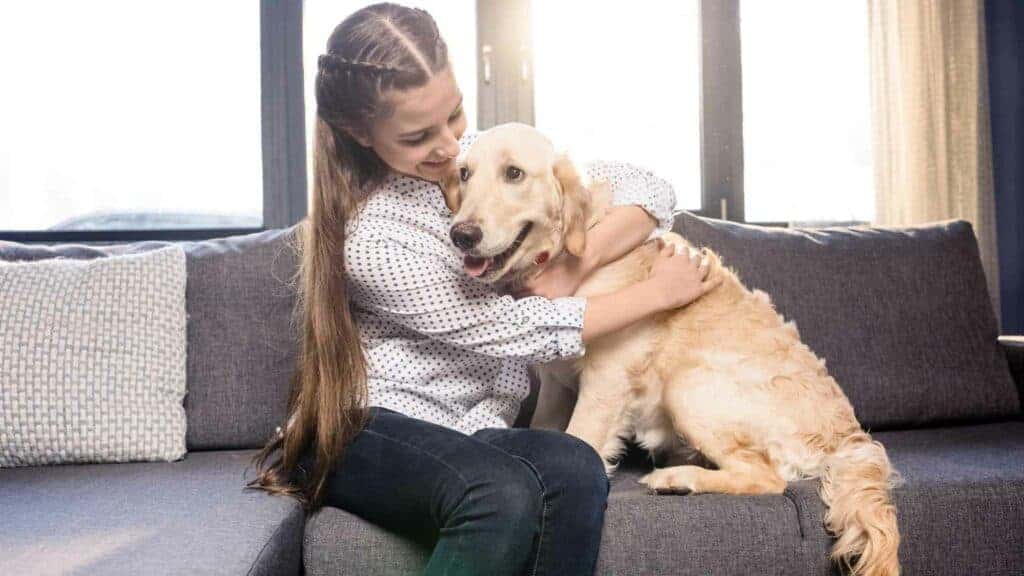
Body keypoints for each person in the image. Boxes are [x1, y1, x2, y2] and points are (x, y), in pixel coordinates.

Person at [248, 3, 720, 575]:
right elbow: (509, 329)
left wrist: (577, 260)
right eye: (420, 134)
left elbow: (648, 186)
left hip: (469, 432)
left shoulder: (479, 159)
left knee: (575, 465)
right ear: (358, 132)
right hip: (360, 427)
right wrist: (656, 294)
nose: (450, 146)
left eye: (455, 114)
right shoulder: (371, 240)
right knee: (500, 493)